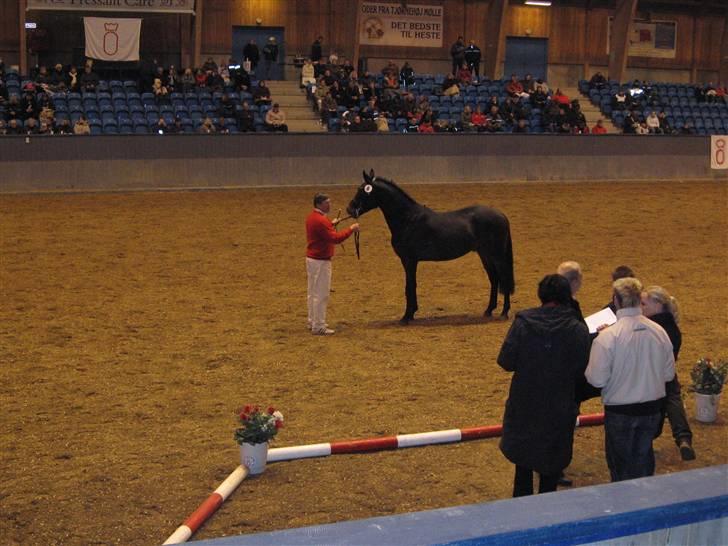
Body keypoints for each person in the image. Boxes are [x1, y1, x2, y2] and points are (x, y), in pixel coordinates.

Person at [498, 274, 591, 497]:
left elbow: (506, 361)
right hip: (558, 407)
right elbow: (583, 368)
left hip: (525, 403)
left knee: (523, 467)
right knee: (551, 472)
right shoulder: (577, 329)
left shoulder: (523, 323)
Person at [585, 277, 675, 482]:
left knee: (620, 470)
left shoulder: (608, 336)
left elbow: (596, 379)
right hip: (652, 409)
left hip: (620, 412)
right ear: (638, 300)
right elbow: (668, 375)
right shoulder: (659, 331)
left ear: (616, 300)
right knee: (644, 464)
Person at [641, 286, 695, 461]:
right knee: (673, 398)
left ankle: (646, 438)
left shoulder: (650, 327)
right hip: (667, 373)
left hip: (649, 377)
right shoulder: (673, 327)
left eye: (644, 304)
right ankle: (683, 437)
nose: (640, 308)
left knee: (656, 406)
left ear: (657, 304)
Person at [305, 193, 359, 335]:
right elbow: (335, 238)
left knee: (312, 293)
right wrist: (351, 229)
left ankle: (313, 321)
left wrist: (331, 223)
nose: (329, 205)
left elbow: (324, 229)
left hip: (312, 260)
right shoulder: (321, 221)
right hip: (321, 261)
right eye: (327, 203)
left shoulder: (313, 218)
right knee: (321, 294)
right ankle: (319, 326)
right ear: (319, 204)